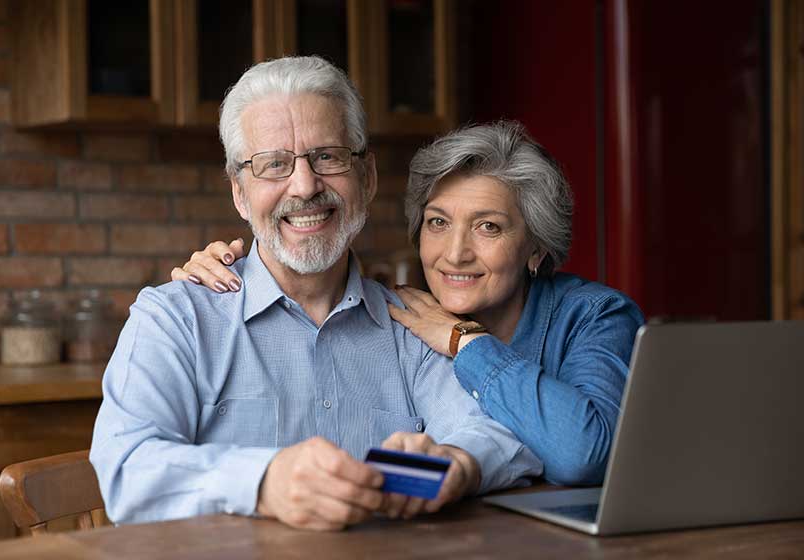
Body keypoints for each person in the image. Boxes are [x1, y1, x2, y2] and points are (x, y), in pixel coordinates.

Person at [90, 56, 542, 532]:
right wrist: (264, 483)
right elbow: (127, 471)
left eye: (327, 156)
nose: (305, 186)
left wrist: (452, 464)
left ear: (366, 178)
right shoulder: (175, 317)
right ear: (240, 194)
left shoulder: (413, 324)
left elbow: (501, 434)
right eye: (273, 165)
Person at [174, 121, 646, 486]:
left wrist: (467, 344)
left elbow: (582, 455)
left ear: (537, 248)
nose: (456, 252)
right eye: (438, 223)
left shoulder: (595, 316)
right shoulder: (397, 315)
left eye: (489, 227)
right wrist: (235, 266)